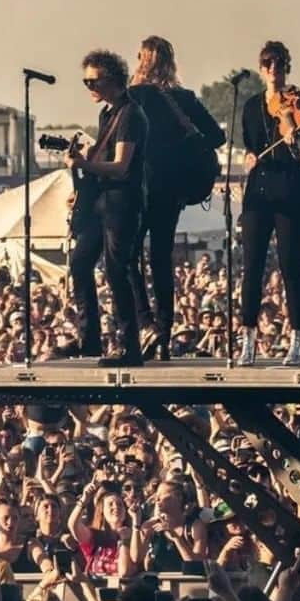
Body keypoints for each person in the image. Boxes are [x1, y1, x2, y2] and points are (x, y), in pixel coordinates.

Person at [126, 36, 225, 361]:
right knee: (160, 259)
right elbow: (217, 136)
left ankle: (145, 323)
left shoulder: (133, 97)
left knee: (127, 256)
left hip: (140, 188)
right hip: (172, 190)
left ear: (142, 61)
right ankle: (165, 335)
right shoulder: (183, 98)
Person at [64, 49, 149, 367]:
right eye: (85, 81)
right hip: (102, 201)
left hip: (123, 203)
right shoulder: (107, 115)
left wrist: (85, 163)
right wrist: (84, 175)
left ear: (112, 79)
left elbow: (122, 166)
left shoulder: (130, 114)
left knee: (117, 270)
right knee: (80, 263)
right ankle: (90, 340)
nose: (89, 88)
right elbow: (103, 162)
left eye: (93, 81)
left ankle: (130, 347)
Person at [237, 40, 300, 366]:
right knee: (252, 267)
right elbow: (249, 146)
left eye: (280, 65)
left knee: (292, 267)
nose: (275, 71)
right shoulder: (251, 107)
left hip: (290, 190)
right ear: (261, 69)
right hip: (258, 191)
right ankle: (248, 339)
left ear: (287, 68)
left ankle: (297, 339)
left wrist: (293, 134)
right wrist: (248, 158)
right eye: (269, 65)